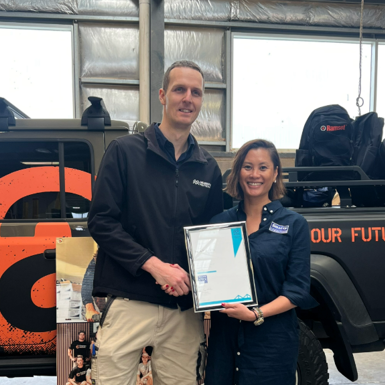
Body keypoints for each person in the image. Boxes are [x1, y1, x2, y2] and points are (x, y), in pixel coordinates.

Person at [87, 60, 223, 385]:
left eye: (196, 92)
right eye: (179, 89)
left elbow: (212, 240)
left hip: (182, 310)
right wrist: (154, 265)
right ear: (163, 95)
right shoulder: (124, 152)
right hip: (129, 300)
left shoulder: (208, 169)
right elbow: (102, 222)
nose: (187, 98)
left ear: (202, 102)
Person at [203, 139, 318, 385]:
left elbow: (297, 290)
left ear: (276, 172)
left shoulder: (293, 224)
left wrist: (255, 314)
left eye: (263, 167)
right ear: (237, 172)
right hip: (224, 343)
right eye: (247, 167)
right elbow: (209, 282)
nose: (255, 174)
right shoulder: (219, 223)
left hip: (272, 345)